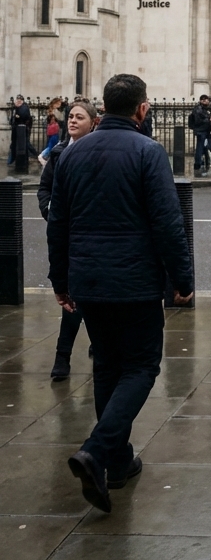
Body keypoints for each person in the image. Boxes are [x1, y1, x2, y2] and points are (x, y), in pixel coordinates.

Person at [47, 73, 194, 514]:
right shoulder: (148, 152)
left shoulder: (72, 155)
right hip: (133, 283)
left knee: (107, 364)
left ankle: (117, 461)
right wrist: (182, 280)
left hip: (88, 283)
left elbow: (57, 224)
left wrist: (60, 281)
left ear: (104, 107)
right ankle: (97, 449)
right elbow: (168, 224)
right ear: (142, 110)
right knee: (142, 366)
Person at [37, 99, 98, 379]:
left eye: (79, 117)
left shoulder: (98, 153)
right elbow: (45, 189)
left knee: (92, 297)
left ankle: (93, 345)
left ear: (93, 122)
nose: (72, 121)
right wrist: (51, 211)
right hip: (67, 236)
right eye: (70, 117)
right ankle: (63, 357)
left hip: (92, 236)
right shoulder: (60, 153)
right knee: (72, 298)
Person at [188, 94, 211, 174]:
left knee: (202, 147)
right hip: (201, 131)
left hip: (203, 131)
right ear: (202, 100)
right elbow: (199, 121)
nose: (208, 102)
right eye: (207, 100)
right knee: (200, 147)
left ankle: (203, 161)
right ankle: (198, 163)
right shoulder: (198, 109)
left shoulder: (203, 109)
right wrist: (209, 119)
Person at [7, 95, 33, 165]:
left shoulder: (24, 107)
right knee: (15, 145)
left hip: (22, 130)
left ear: (21, 101)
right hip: (17, 129)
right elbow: (14, 117)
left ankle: (34, 154)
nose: (17, 102)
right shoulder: (16, 108)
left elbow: (22, 116)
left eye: (19, 101)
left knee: (24, 145)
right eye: (17, 100)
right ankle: (12, 159)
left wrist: (17, 114)